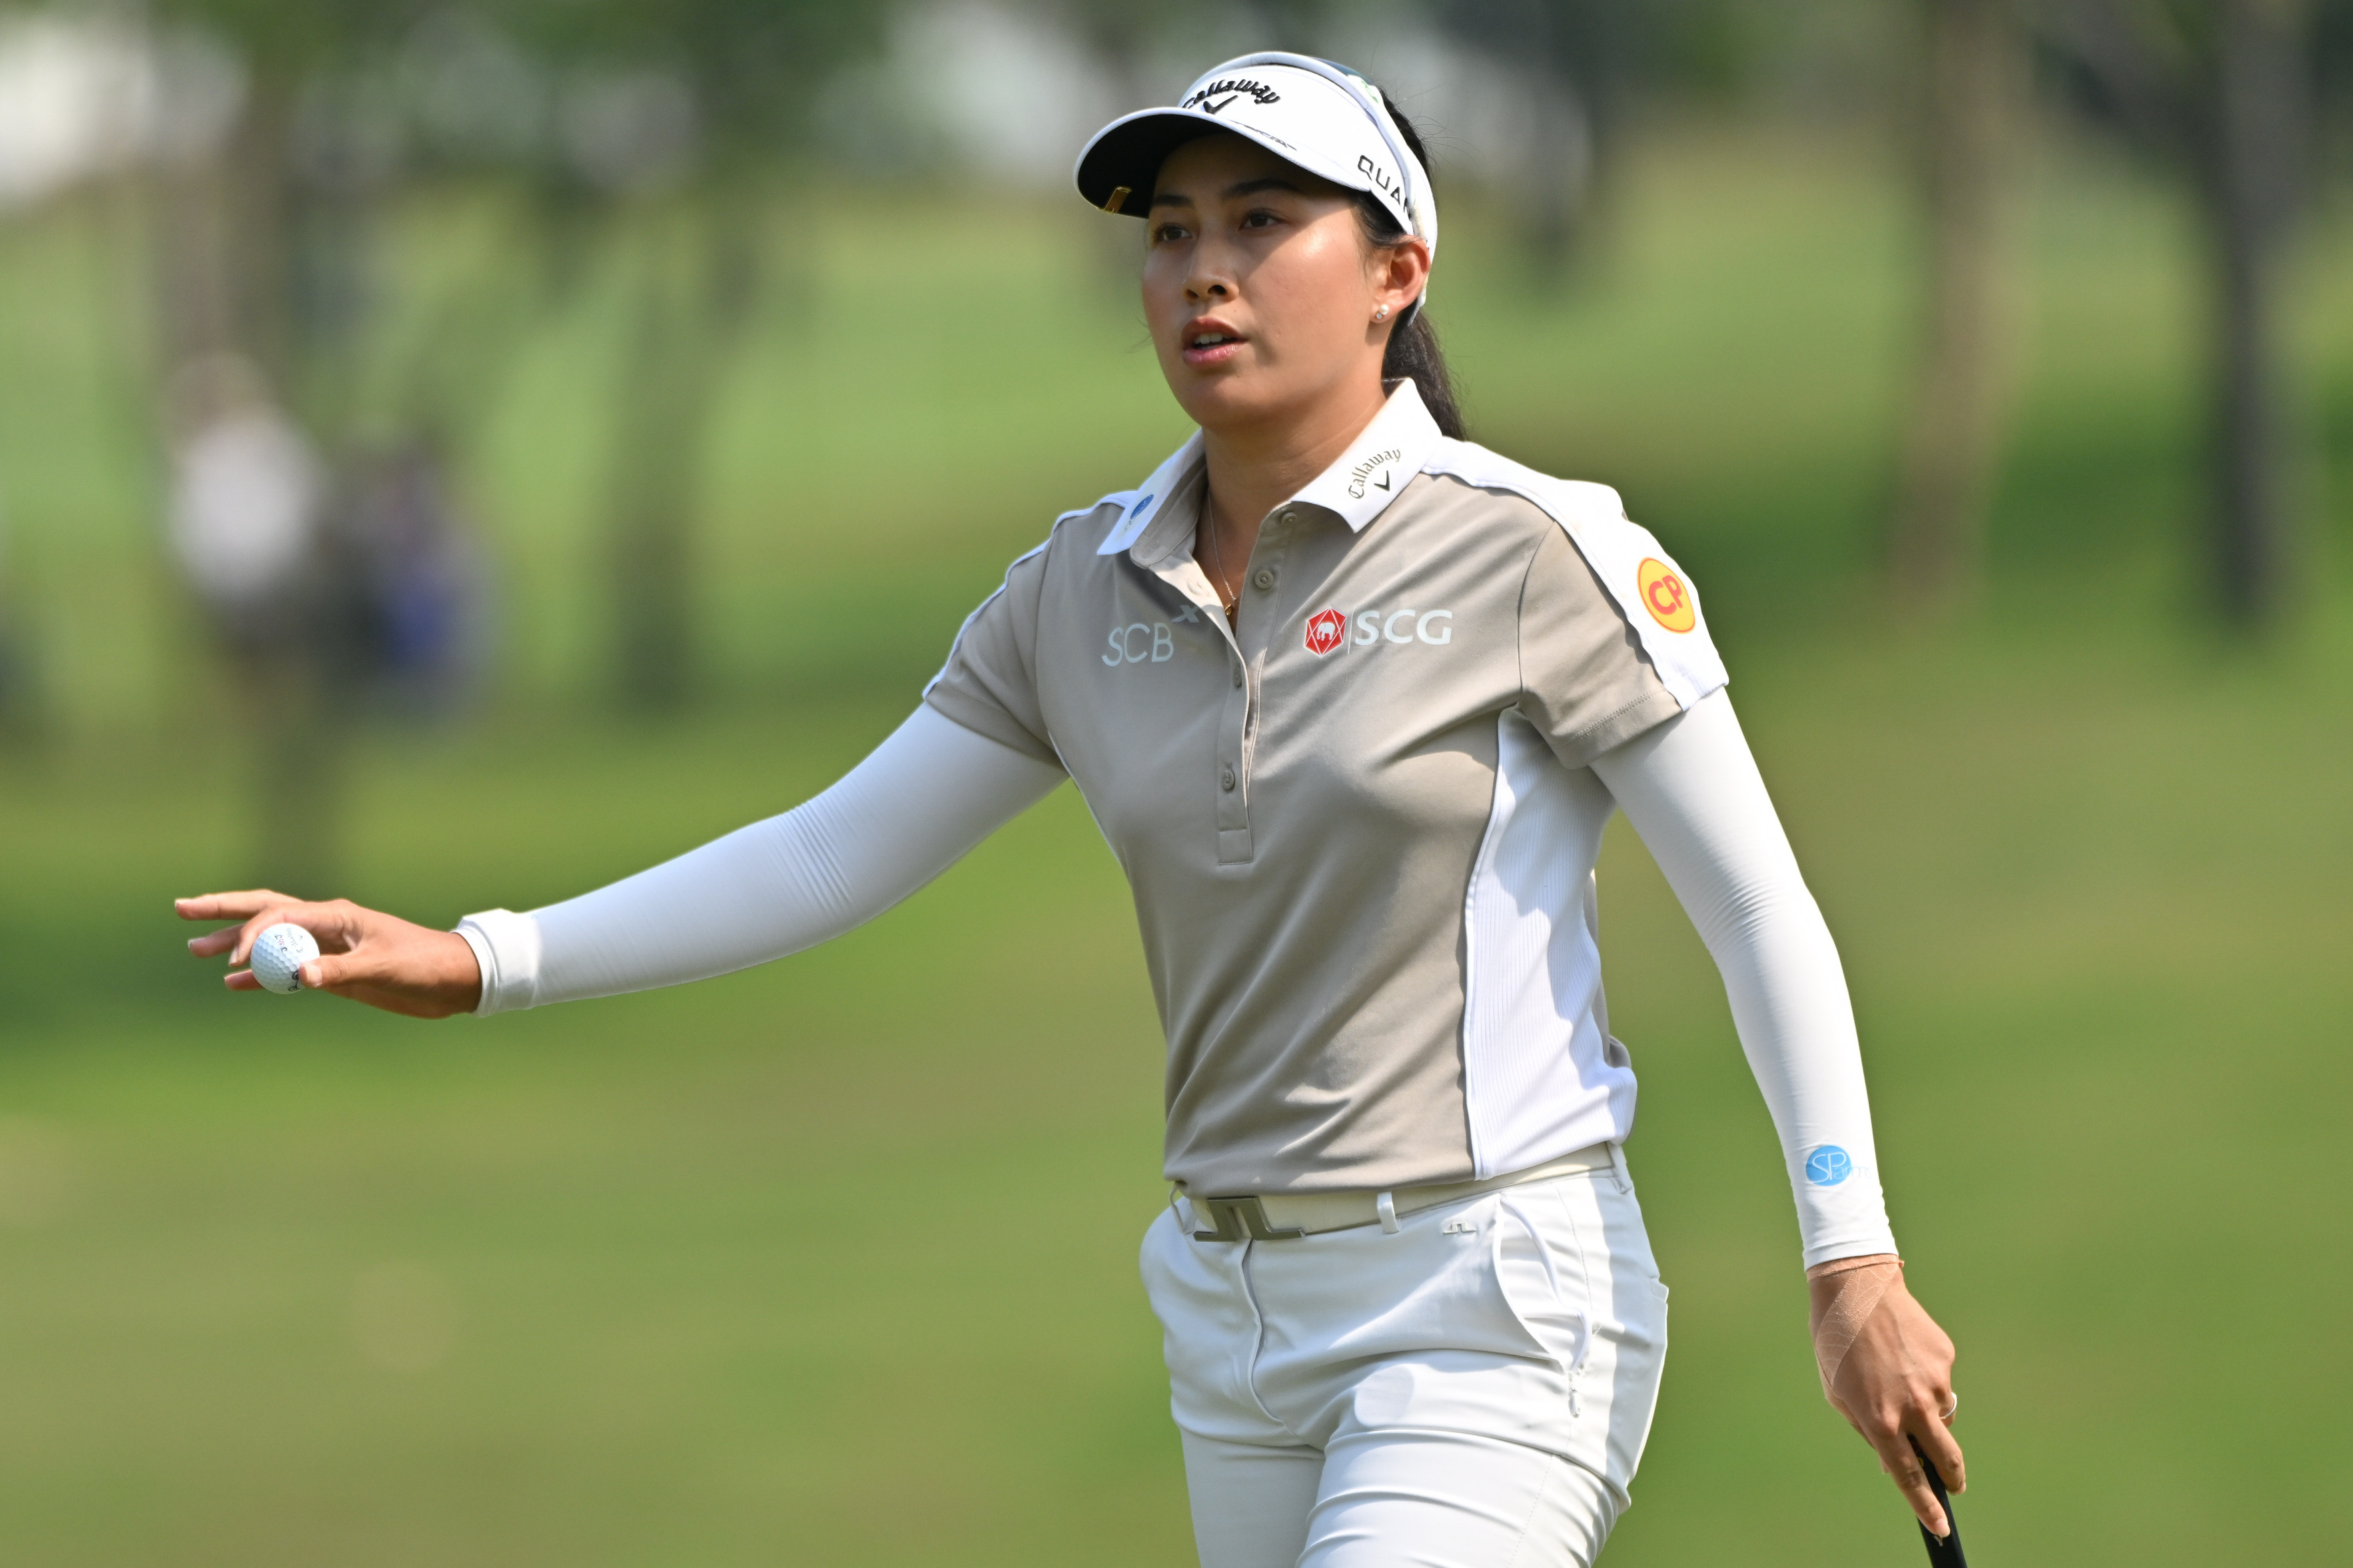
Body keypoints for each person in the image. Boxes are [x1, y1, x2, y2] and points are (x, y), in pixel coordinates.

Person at [179, 53, 1963, 1567]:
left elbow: (1754, 908)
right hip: (1229, 1315)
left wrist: (1848, 1253)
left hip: (1491, 1293)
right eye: (1173, 230)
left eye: (1265, 225)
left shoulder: (1535, 548)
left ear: (1398, 268)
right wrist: (479, 956)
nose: (1207, 270)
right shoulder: (1079, 588)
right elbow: (830, 848)